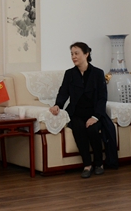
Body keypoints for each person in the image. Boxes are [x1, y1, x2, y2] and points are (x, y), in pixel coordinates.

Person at [50, 42, 118, 178]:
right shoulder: (69, 74)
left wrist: (95, 117)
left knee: (92, 129)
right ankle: (87, 164)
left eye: (76, 53)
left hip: (94, 113)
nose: (73, 57)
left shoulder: (98, 73)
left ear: (86, 54)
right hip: (76, 113)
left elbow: (102, 97)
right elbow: (63, 92)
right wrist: (57, 105)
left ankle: (99, 163)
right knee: (79, 128)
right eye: (72, 54)